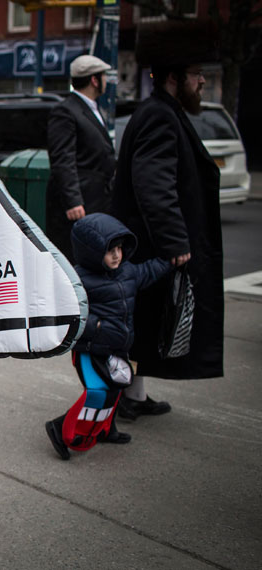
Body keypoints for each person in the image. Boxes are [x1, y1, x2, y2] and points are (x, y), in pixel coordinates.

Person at [111, 22, 224, 420]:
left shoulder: (163, 111)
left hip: (149, 244)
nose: (202, 82)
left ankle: (134, 396)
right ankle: (120, 399)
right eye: (196, 75)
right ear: (175, 78)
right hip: (154, 246)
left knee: (146, 324)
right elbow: (154, 186)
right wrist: (176, 243)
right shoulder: (159, 115)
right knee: (141, 324)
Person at [45, 213, 170, 460]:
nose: (116, 255)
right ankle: (60, 428)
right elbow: (65, 309)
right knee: (98, 392)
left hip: (116, 347)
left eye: (119, 248)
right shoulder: (80, 278)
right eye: (109, 250)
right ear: (91, 251)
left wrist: (172, 259)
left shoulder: (128, 272)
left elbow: (150, 270)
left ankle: (105, 430)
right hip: (90, 349)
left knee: (114, 391)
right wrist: (96, 326)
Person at [45, 54, 116, 261]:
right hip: (80, 205)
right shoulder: (66, 111)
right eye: (103, 76)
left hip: (96, 199)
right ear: (94, 80)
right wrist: (73, 201)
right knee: (76, 257)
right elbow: (62, 159)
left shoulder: (92, 109)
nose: (106, 81)